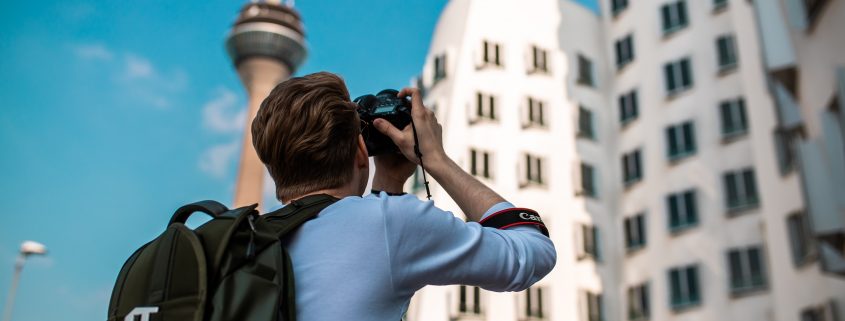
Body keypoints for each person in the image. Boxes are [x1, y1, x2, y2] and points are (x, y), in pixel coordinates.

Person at [251, 71, 556, 320]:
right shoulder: (389, 224)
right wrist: (436, 159)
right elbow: (533, 252)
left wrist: (390, 181)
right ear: (361, 152)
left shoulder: (244, 240)